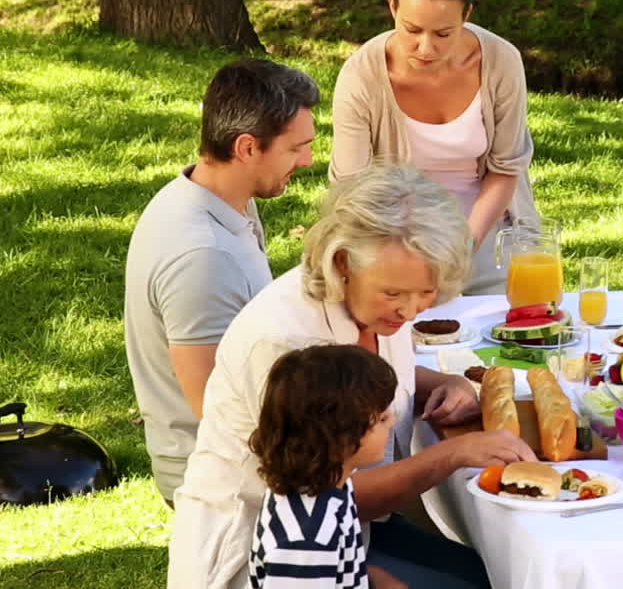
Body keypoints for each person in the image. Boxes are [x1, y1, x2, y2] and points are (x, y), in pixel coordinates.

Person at [168, 164, 536, 589]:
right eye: (394, 293)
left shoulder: (372, 307)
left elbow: (366, 383)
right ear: (343, 262)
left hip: (352, 532)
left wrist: (439, 384)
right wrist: (453, 454)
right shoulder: (286, 343)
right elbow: (328, 494)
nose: (411, 311)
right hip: (276, 555)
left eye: (427, 292)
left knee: (491, 574)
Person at [124, 58, 318, 505]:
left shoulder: (214, 199)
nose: (307, 161)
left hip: (252, 452)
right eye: (295, 148)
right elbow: (217, 409)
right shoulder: (203, 256)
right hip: (224, 482)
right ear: (247, 147)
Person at [329, 0, 540, 295]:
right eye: (412, 29)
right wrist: (407, 262)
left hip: (489, 236)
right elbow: (352, 192)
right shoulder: (361, 77)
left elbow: (506, 170)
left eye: (444, 33)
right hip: (395, 243)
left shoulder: (502, 61)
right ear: (392, 5)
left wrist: (463, 247)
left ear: (467, 14)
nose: (425, 48)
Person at [247, 344, 403, 589]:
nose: (393, 420)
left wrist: (372, 578)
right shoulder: (306, 541)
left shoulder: (332, 482)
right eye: (382, 418)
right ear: (338, 437)